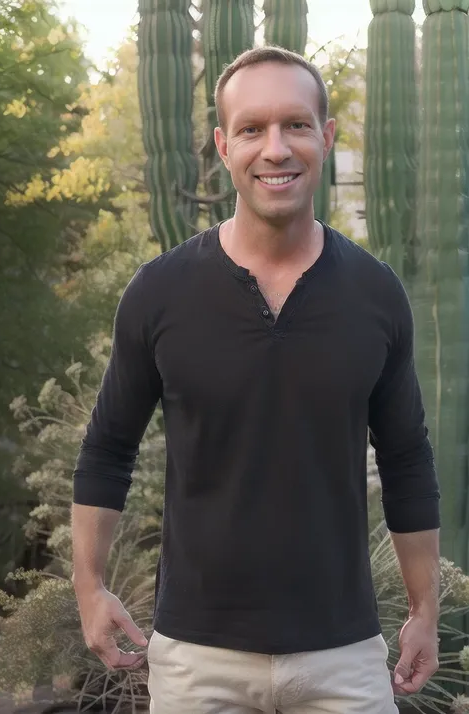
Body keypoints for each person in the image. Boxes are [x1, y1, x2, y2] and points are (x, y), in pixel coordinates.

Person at [71, 46, 441, 714]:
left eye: (296, 125)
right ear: (223, 145)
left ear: (325, 137)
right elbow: (107, 449)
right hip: (194, 661)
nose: (276, 148)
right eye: (252, 129)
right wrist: (89, 590)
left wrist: (424, 611)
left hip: (345, 657)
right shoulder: (160, 294)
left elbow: (408, 459)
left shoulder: (376, 296)